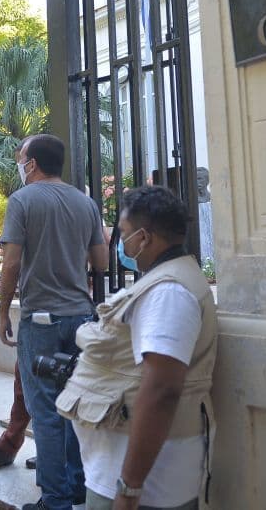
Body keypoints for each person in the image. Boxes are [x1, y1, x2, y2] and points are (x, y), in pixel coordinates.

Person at [56, 186, 217, 510]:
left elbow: (161, 390)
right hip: (129, 471)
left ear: (144, 238)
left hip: (143, 484)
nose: (120, 244)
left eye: (125, 234)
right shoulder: (169, 280)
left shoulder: (167, 293)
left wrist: (129, 489)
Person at [0, 134, 108, 510]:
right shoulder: (86, 202)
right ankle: (77, 485)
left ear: (32, 164)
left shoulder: (22, 200)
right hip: (80, 317)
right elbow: (102, 263)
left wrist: (1, 313)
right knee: (75, 405)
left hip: (41, 320)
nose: (19, 163)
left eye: (20, 158)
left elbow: (11, 263)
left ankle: (55, 499)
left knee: (45, 411)